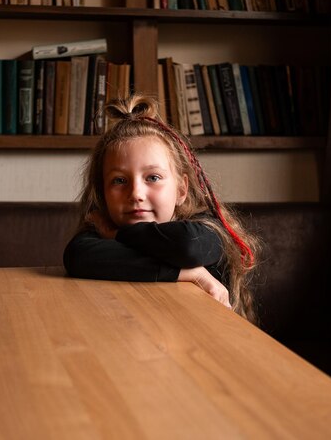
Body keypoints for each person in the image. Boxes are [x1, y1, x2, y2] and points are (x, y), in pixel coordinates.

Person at [63, 94, 259, 323]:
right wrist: (188, 273)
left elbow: (187, 247)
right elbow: (77, 256)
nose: (136, 194)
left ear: (181, 190)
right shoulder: (100, 226)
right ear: (103, 193)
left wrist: (117, 235)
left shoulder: (206, 229)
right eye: (119, 180)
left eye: (153, 177)